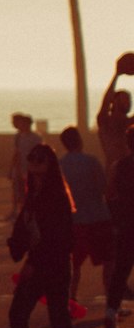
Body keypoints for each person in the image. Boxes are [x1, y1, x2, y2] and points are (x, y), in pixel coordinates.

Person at [0, 144, 89, 328]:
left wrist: (34, 263)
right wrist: (17, 246)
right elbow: (23, 228)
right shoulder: (32, 195)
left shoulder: (57, 197)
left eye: (41, 161)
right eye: (32, 160)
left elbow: (59, 239)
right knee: (18, 313)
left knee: (59, 320)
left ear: (50, 165)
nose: (35, 166)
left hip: (54, 266)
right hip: (38, 265)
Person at [58, 126, 113, 304]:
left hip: (73, 220)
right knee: (108, 262)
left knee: (73, 265)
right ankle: (112, 304)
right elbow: (104, 188)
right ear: (80, 141)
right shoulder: (91, 161)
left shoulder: (60, 164)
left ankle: (70, 299)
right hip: (97, 217)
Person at [104, 123, 134, 328]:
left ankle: (111, 310)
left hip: (126, 223)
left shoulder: (120, 165)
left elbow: (110, 194)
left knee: (121, 270)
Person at [97, 62, 134, 176]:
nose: (129, 102)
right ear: (115, 101)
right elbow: (105, 101)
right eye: (125, 98)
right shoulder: (106, 121)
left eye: (130, 99)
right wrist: (116, 75)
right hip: (113, 172)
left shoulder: (129, 123)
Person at [8, 113, 37, 217]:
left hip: (30, 168)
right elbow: (16, 153)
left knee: (29, 190)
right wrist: (11, 169)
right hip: (19, 168)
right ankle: (15, 210)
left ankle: (27, 210)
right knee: (16, 190)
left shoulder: (35, 137)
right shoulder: (18, 137)